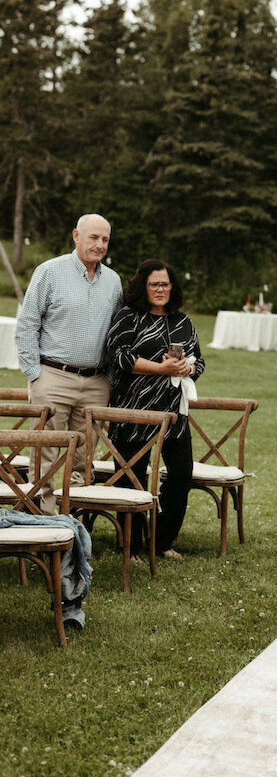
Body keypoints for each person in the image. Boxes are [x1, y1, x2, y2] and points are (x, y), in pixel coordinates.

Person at [15, 213, 123, 513]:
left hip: (96, 382)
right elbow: (27, 325)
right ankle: (43, 522)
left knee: (82, 458)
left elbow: (117, 332)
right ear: (76, 235)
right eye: (93, 237)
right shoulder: (49, 272)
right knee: (45, 452)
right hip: (53, 376)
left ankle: (73, 522)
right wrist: (34, 374)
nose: (99, 245)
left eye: (105, 239)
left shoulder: (114, 281)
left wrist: (110, 379)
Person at [105, 259, 204, 561]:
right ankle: (130, 545)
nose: (160, 289)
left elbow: (199, 362)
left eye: (165, 284)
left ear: (172, 287)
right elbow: (118, 356)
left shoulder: (183, 321)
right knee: (130, 476)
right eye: (154, 284)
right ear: (143, 287)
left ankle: (161, 541)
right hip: (133, 411)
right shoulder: (128, 316)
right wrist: (161, 368)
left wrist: (186, 367)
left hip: (173, 415)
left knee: (181, 473)